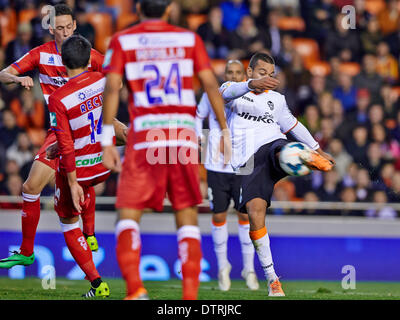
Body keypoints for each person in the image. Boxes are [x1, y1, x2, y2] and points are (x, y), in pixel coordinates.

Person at [100, 0, 232, 300]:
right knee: (186, 219)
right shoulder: (189, 39)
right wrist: (223, 129)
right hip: (182, 138)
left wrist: (107, 139)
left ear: (137, 9)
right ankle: (189, 299)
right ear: (170, 9)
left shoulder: (123, 40)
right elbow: (211, 85)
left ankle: (135, 291)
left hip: (146, 137)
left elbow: (111, 87)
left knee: (128, 217)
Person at [0, 4, 126, 269]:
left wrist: (102, 106)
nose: (66, 32)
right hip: (59, 131)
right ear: (50, 28)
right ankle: (27, 250)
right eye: (60, 28)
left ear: (75, 26)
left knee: (127, 133)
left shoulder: (89, 55)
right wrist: (18, 80)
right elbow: (3, 74)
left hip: (89, 124)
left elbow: (117, 80)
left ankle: (91, 232)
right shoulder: (40, 55)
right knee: (31, 188)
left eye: (70, 27)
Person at [220, 52, 335, 296]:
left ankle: (304, 157)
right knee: (254, 212)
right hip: (247, 163)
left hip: (272, 146)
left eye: (271, 75)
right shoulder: (233, 90)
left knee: (280, 148)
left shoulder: (277, 100)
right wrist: (253, 84)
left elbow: (293, 125)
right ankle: (273, 280)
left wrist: (318, 149)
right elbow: (224, 94)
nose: (267, 79)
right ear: (249, 72)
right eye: (262, 73)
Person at [196, 60, 278, 292]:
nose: (232, 75)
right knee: (219, 216)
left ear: (245, 75)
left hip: (244, 163)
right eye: (229, 72)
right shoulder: (212, 93)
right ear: (225, 74)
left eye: (237, 73)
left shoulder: (251, 95)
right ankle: (223, 268)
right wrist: (199, 140)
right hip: (216, 165)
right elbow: (196, 116)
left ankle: (249, 269)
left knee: (246, 217)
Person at [48, 35, 111, 298]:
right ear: (89, 59)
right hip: (103, 163)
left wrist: (72, 182)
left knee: (66, 222)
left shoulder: (58, 98)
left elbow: (65, 142)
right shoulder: (103, 81)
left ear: (62, 62)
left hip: (79, 170)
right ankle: (91, 233)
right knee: (86, 188)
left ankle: (98, 285)